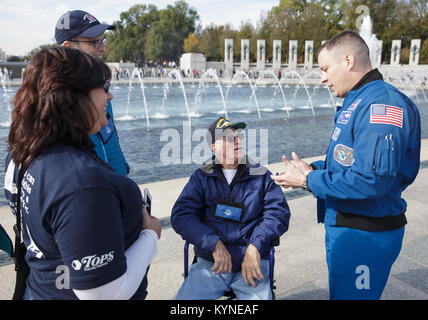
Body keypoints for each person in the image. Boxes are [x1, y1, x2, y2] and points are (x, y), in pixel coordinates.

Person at [271, 30, 421, 300]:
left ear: (349, 60)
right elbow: (349, 159)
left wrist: (307, 181)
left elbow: (371, 179)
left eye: (326, 68)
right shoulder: (360, 99)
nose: (322, 78)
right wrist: (314, 169)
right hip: (351, 226)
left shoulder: (381, 104)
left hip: (365, 232)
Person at [4, 47, 161, 300]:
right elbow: (104, 294)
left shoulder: (21, 153)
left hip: (41, 289)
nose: (109, 96)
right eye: (102, 87)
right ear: (73, 98)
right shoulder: (81, 183)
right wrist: (150, 235)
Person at [171, 117, 290, 300]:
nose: (236, 141)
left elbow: (278, 214)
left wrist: (255, 246)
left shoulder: (261, 175)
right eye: (227, 138)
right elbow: (181, 215)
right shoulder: (202, 177)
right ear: (214, 148)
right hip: (211, 262)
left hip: (252, 260)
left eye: (237, 136)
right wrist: (212, 243)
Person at [55, 10, 130, 176]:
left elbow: (110, 138)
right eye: (94, 42)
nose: (103, 48)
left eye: (103, 40)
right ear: (68, 48)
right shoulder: (55, 102)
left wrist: (123, 172)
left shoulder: (99, 88)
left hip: (115, 188)